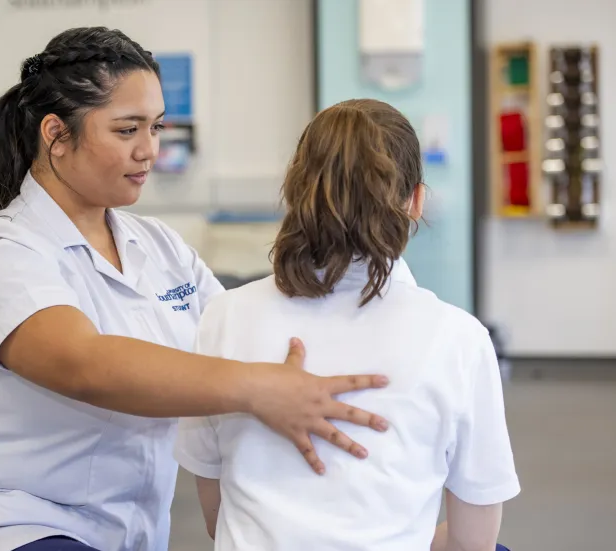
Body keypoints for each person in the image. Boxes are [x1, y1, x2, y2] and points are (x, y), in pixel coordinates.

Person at [0, 28, 394, 551]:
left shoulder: (158, 246)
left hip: (125, 532)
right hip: (11, 522)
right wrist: (260, 387)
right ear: (56, 135)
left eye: (156, 127)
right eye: (127, 129)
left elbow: (235, 332)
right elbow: (84, 364)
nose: (149, 150)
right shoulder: (0, 250)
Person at [174, 99, 521, 551]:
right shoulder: (458, 338)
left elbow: (216, 513)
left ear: (296, 191)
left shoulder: (223, 315)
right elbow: (473, 542)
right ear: (416, 201)